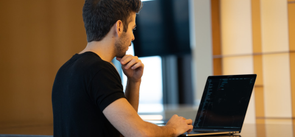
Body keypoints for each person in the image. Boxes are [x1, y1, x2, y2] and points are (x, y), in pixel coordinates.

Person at [52, 0, 193, 136]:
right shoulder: (99, 70)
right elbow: (141, 134)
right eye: (133, 28)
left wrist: (134, 81)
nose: (133, 37)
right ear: (119, 27)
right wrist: (172, 128)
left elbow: (123, 129)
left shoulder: (65, 70)